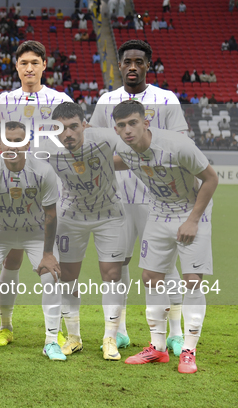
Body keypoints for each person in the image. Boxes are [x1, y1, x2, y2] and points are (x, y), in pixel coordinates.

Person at [89, 40, 188, 355]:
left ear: (148, 65)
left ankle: (175, 333)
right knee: (115, 266)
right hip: (116, 199)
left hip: (160, 199)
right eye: (127, 62)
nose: (133, 67)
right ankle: (117, 332)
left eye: (139, 62)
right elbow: (95, 143)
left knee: (165, 267)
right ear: (119, 66)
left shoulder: (166, 99)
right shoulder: (107, 101)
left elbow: (181, 141)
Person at [113, 100, 218, 374]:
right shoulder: (125, 149)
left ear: (145, 122)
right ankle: (158, 348)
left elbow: (211, 179)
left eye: (133, 123)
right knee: (150, 277)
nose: (128, 130)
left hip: (192, 211)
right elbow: (110, 163)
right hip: (159, 212)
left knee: (192, 281)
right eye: (121, 125)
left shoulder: (177, 145)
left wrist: (193, 220)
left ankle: (188, 351)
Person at [0, 40, 73, 347]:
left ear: (44, 65)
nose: (30, 68)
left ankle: (56, 330)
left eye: (35, 62)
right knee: (11, 259)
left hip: (48, 191)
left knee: (52, 262)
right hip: (9, 192)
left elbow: (74, 135)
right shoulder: (4, 100)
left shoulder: (60, 100)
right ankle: (5, 327)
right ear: (17, 67)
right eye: (24, 63)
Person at [36, 102, 126, 361]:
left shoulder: (106, 138)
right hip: (71, 217)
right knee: (67, 277)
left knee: (111, 274)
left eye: (74, 126)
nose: (68, 134)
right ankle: (74, 337)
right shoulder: (45, 150)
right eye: (61, 129)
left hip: (109, 215)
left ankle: (110, 337)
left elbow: (137, 153)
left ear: (85, 125)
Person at [0, 121, 62, 359]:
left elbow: (51, 214)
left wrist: (48, 253)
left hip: (35, 230)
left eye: (18, 141)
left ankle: (51, 341)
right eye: (8, 141)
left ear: (27, 144)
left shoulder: (43, 171)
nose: (14, 146)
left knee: (50, 275)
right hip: (0, 229)